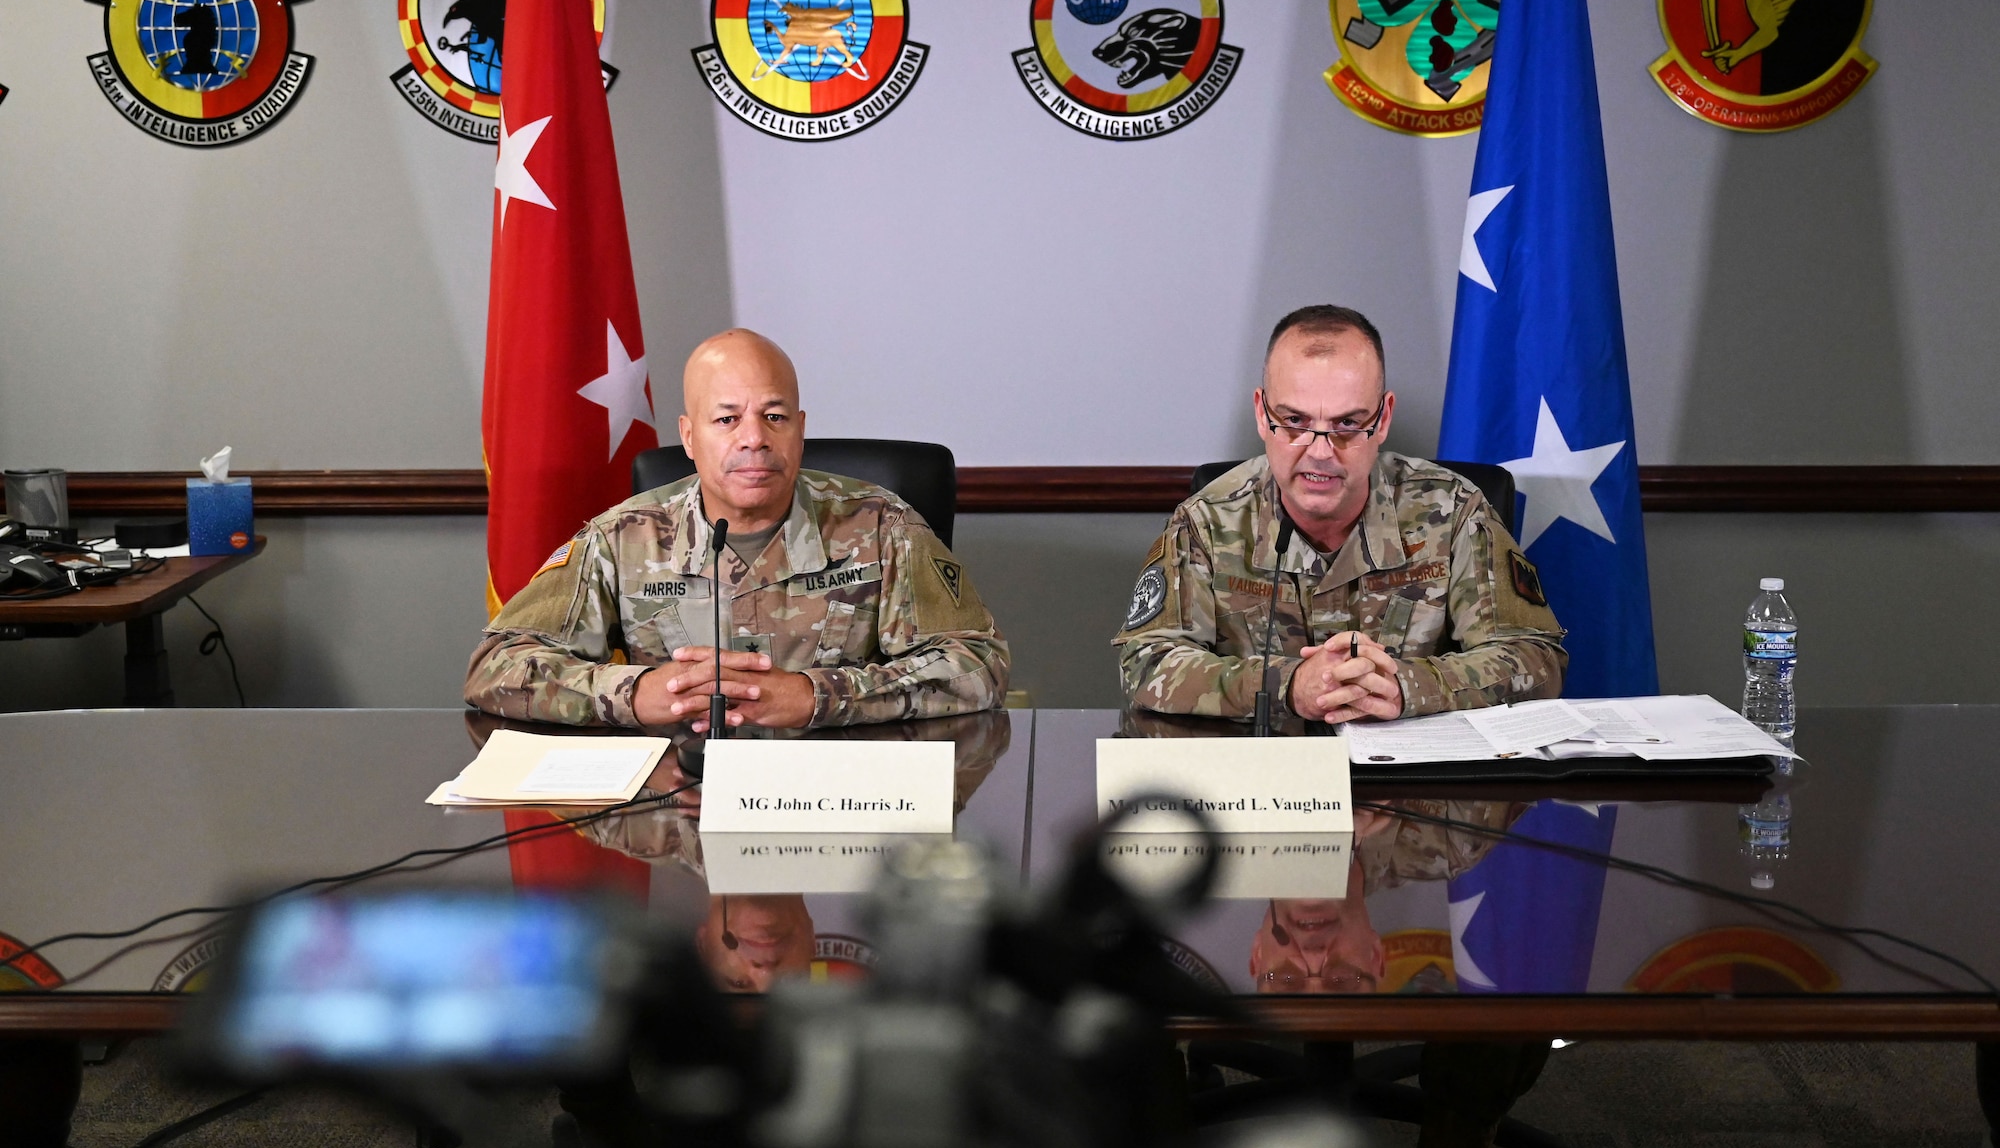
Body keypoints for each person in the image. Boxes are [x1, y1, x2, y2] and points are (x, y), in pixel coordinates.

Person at [466, 328, 1009, 728]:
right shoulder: (622, 538)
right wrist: (631, 693)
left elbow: (979, 665)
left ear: (800, 430)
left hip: (840, 802)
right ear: (689, 436)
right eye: (726, 418)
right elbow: (496, 667)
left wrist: (819, 695)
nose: (754, 438)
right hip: (678, 804)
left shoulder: (883, 528)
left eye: (774, 416)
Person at [1115, 305, 1564, 724]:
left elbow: (1536, 658)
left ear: (1383, 418)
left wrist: (1407, 687)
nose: (1320, 452)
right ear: (1261, 412)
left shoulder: (1454, 511)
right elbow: (1147, 661)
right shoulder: (1208, 521)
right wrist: (1286, 686)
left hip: (1421, 793)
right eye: (1293, 421)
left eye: (1347, 424)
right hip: (1262, 791)